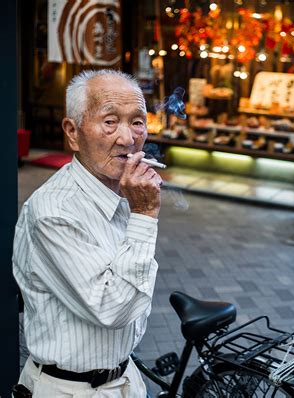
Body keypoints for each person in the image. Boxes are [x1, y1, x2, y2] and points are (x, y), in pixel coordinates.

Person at [13, 69, 163, 396]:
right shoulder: (53, 210)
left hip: (124, 379)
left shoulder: (119, 194)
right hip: (70, 389)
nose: (128, 138)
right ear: (73, 132)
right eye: (110, 122)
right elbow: (114, 308)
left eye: (137, 121)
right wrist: (145, 214)